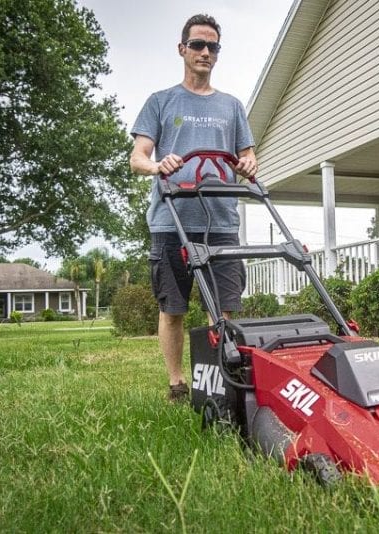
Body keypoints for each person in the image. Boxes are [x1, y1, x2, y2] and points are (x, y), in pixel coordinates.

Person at [129, 14, 257, 402]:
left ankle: (220, 380)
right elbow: (138, 157)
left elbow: (248, 156)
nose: (205, 52)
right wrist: (157, 164)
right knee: (173, 308)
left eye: (212, 46)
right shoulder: (160, 102)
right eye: (198, 45)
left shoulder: (231, 106)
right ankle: (176, 383)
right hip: (172, 222)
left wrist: (249, 164)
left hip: (220, 220)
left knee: (224, 309)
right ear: (182, 49)